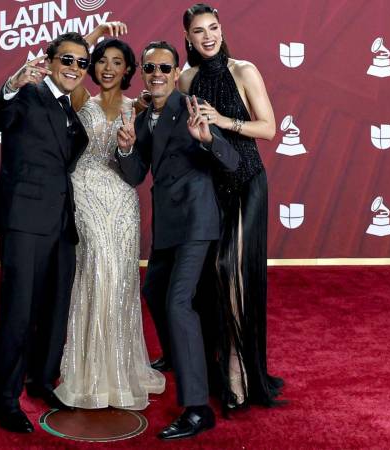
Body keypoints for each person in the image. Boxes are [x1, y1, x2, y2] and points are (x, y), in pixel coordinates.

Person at [113, 40, 239, 440]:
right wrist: (126, 150)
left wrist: (208, 139)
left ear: (175, 72)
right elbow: (135, 175)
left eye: (165, 69)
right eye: (150, 70)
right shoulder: (143, 115)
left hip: (197, 222)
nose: (157, 76)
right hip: (168, 226)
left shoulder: (190, 106)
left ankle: (198, 408)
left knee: (177, 301)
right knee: (153, 291)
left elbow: (233, 161)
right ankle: (180, 354)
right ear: (143, 75)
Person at [53, 23, 165, 410]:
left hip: (122, 200)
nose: (107, 67)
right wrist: (96, 31)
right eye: (101, 60)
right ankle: (89, 374)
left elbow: (137, 173)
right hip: (83, 192)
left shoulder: (139, 108)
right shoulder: (82, 98)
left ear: (128, 71)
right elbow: (63, 60)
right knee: (96, 270)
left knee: (120, 280)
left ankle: (120, 369)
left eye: (116, 62)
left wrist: (128, 148)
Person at [0, 32, 90, 433]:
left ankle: (41, 380)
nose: (75, 68)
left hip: (60, 223)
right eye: (67, 59)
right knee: (19, 311)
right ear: (49, 59)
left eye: (82, 63)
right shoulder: (26, 95)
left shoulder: (68, 108)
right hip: (24, 219)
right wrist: (12, 84)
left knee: (53, 308)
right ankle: (4, 400)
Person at [179, 3, 283, 412]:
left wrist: (225, 121)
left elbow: (270, 128)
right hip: (211, 185)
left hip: (247, 182)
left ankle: (241, 369)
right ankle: (217, 363)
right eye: (199, 31)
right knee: (211, 279)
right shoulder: (186, 78)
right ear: (187, 38)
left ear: (222, 30)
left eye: (214, 28)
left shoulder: (245, 70)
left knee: (231, 270)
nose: (208, 36)